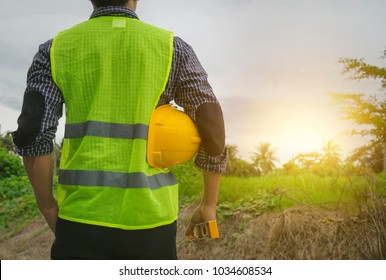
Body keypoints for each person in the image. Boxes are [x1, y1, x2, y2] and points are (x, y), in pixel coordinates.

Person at [12, 0, 227, 260]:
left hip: (79, 219)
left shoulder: (54, 50)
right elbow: (211, 121)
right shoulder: (173, 49)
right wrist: (208, 204)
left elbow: (32, 133)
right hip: (152, 221)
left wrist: (47, 206)